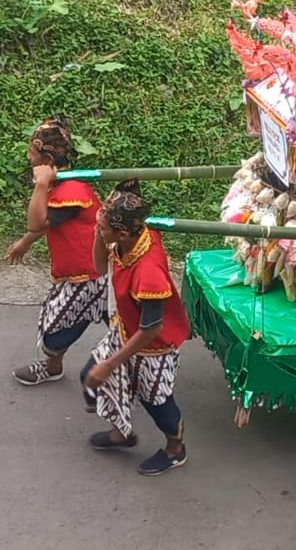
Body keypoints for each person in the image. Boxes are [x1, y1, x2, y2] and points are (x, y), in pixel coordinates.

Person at [82, 179, 191, 476]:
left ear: (122, 232)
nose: (98, 229)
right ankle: (121, 433)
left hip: (154, 346)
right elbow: (98, 267)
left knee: (157, 401)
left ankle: (175, 449)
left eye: (102, 227)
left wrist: (112, 362)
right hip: (126, 329)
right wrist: (99, 235)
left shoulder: (148, 270)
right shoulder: (127, 237)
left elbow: (152, 328)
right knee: (93, 376)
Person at [7, 115, 108, 386]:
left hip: (90, 276)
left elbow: (37, 221)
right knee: (62, 320)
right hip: (76, 273)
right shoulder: (61, 185)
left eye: (32, 153)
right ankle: (56, 367)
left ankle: (134, 375)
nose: (29, 158)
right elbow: (46, 223)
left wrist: (40, 185)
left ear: (47, 160)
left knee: (55, 328)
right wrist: (26, 242)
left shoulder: (71, 190)